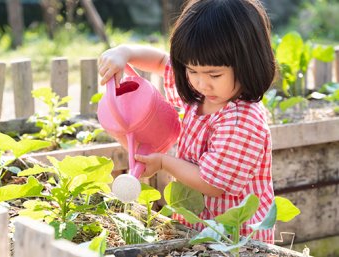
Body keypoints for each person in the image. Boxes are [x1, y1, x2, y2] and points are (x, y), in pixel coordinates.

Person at [98, 0, 276, 243]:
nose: (201, 83)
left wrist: (163, 162)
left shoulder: (242, 121)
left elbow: (212, 183)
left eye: (214, 74)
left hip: (235, 239)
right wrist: (124, 53)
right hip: (198, 228)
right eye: (192, 71)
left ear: (248, 63)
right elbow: (162, 62)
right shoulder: (200, 96)